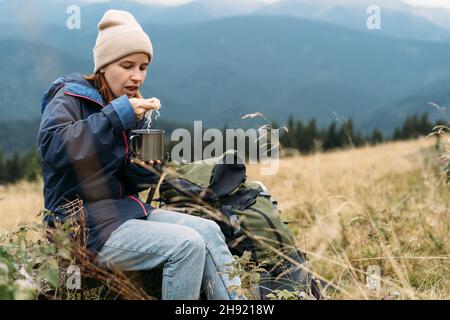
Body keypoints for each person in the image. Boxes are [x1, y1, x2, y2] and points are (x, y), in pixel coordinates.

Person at [38, 9, 244, 300]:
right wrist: (116, 116)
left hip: (122, 212)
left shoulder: (128, 106)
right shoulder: (71, 97)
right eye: (127, 65)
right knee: (186, 245)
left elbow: (122, 179)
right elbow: (53, 149)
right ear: (104, 66)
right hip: (79, 226)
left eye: (143, 67)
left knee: (209, 231)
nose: (137, 76)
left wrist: (147, 168)